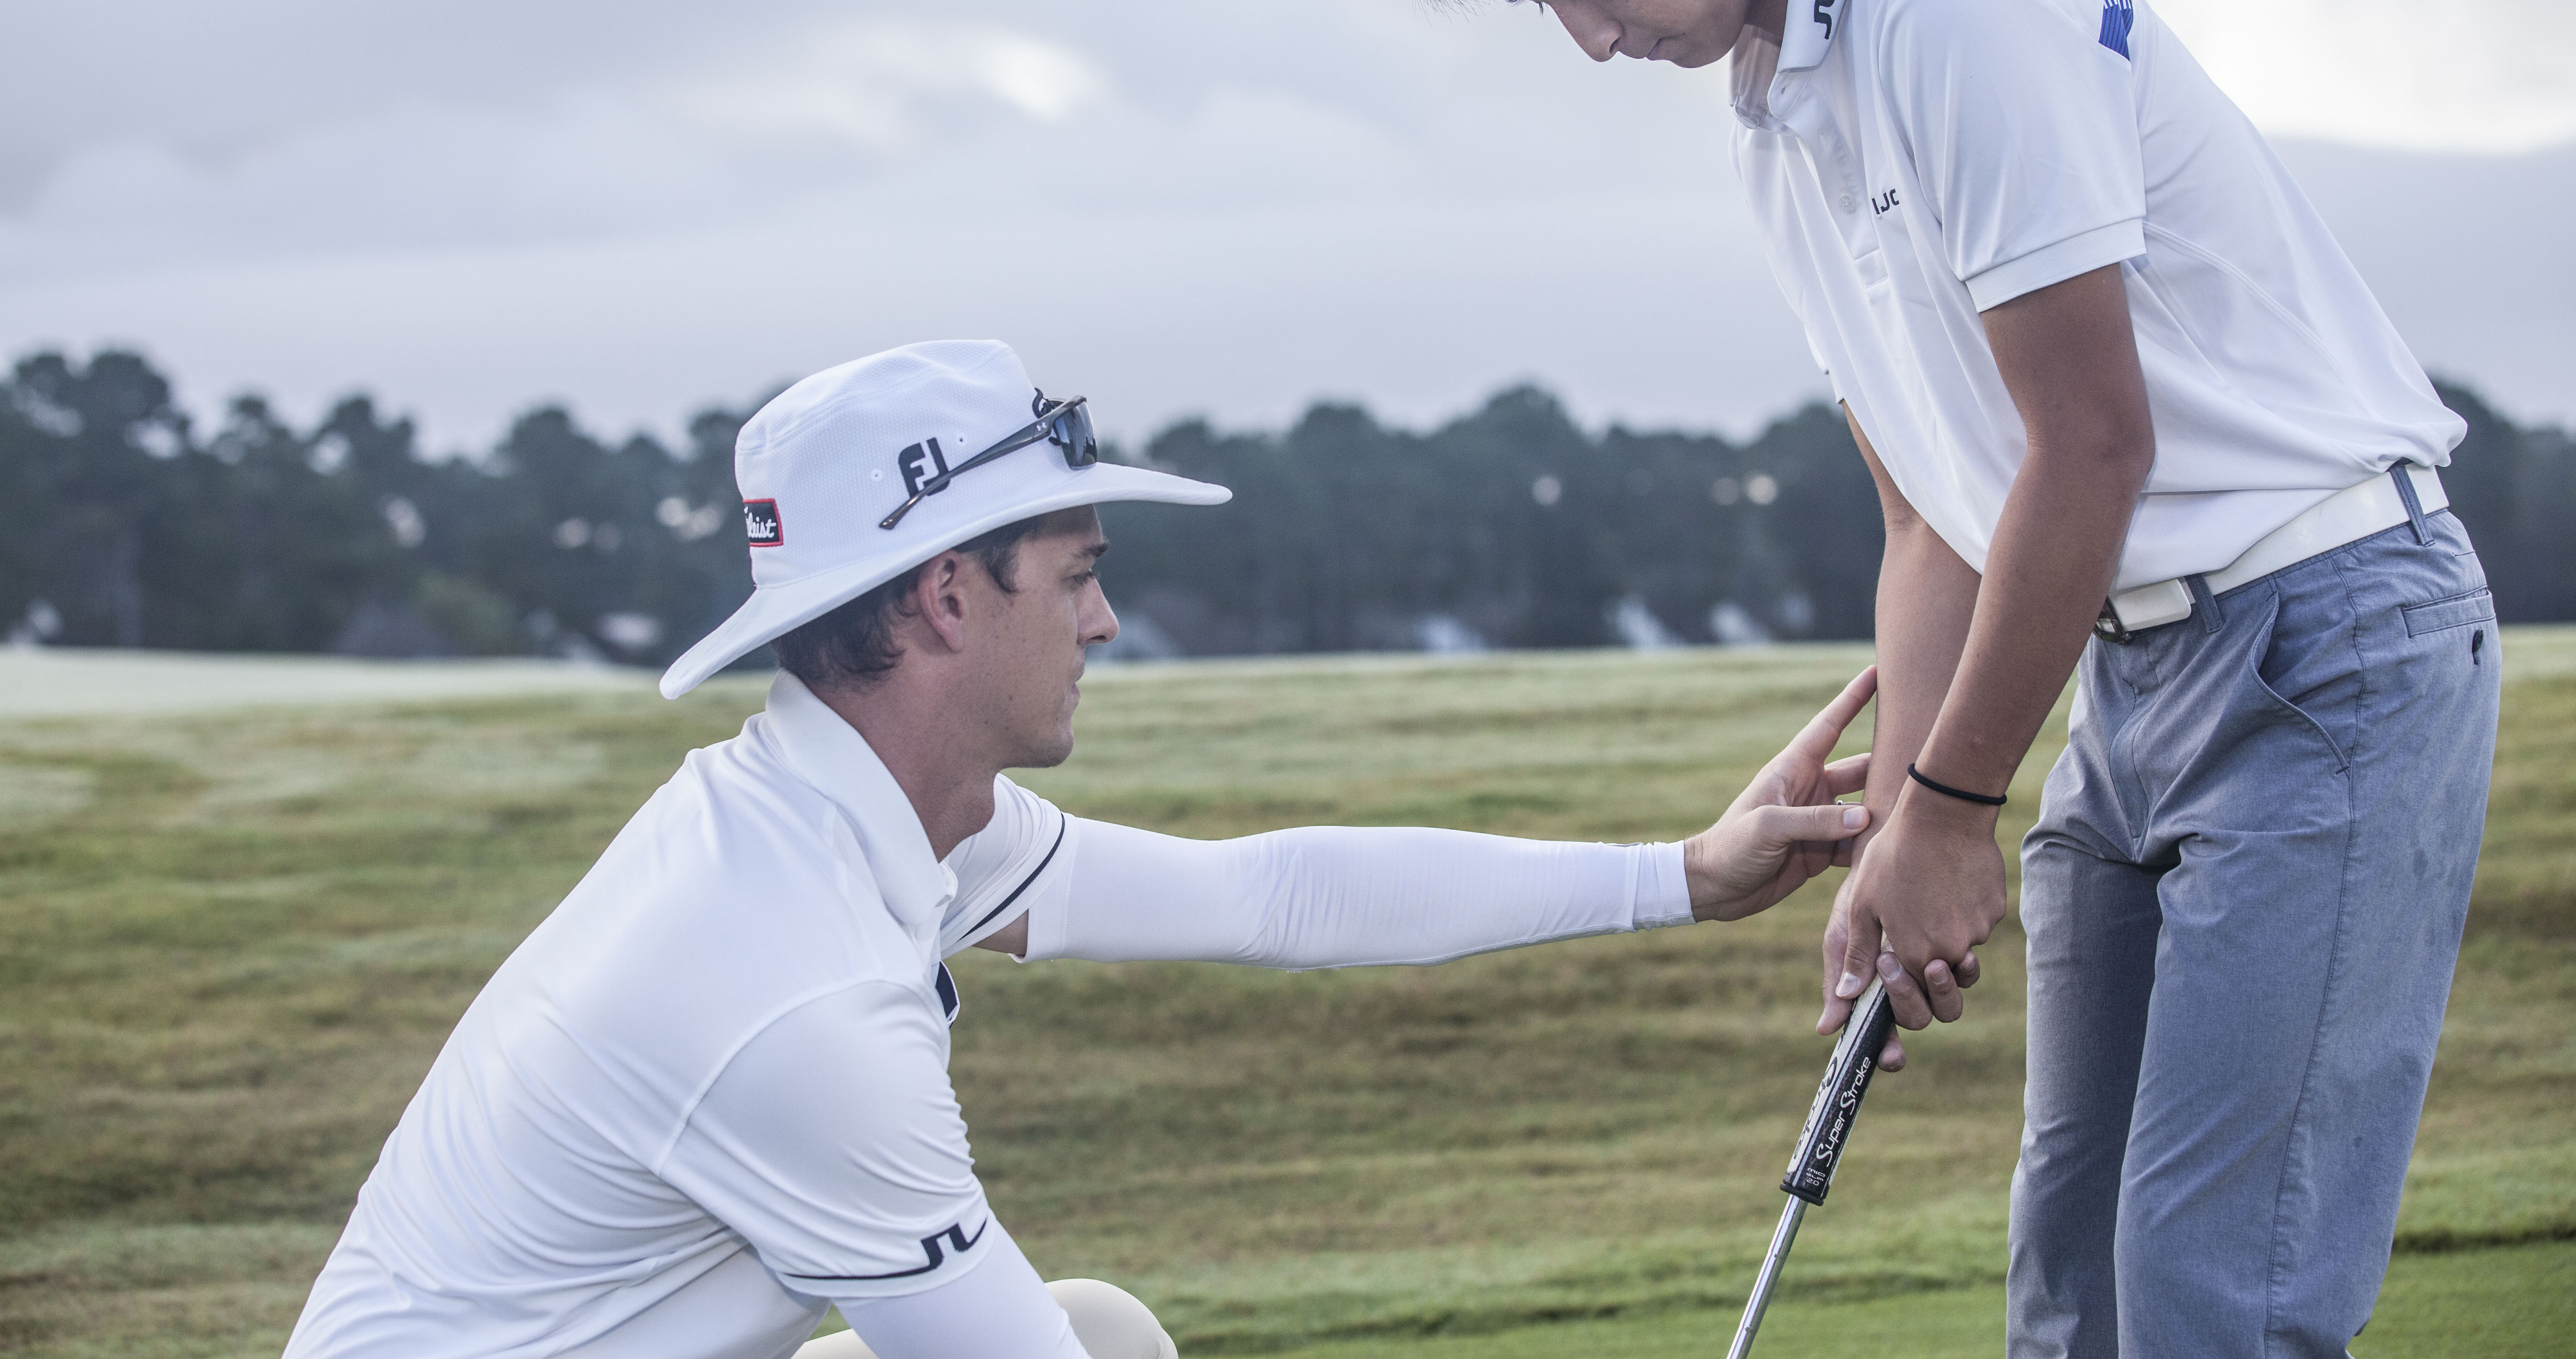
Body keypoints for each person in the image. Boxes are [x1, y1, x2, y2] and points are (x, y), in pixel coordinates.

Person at [1380, 0, 2500, 1359]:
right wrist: (1896, 836)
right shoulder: (1773, 136)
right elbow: (1933, 526)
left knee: (2213, 1295)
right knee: (2072, 1277)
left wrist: (1957, 811)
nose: (1591, 43)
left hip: (2329, 634)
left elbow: (2093, 446)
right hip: (2133, 671)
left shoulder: (1959, 6)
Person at [282, 338, 1888, 1359]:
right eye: (1076, 575)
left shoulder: (851, 820)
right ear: (944, 597)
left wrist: (1685, 875)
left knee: (1103, 1329)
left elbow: (1274, 897)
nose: (1108, 621)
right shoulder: (802, 1003)